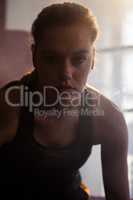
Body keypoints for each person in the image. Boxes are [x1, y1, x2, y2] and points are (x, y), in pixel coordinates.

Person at [0, 2, 130, 200]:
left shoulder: (108, 119)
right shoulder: (9, 108)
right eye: (52, 59)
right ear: (34, 56)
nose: (65, 74)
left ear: (93, 57)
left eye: (78, 60)